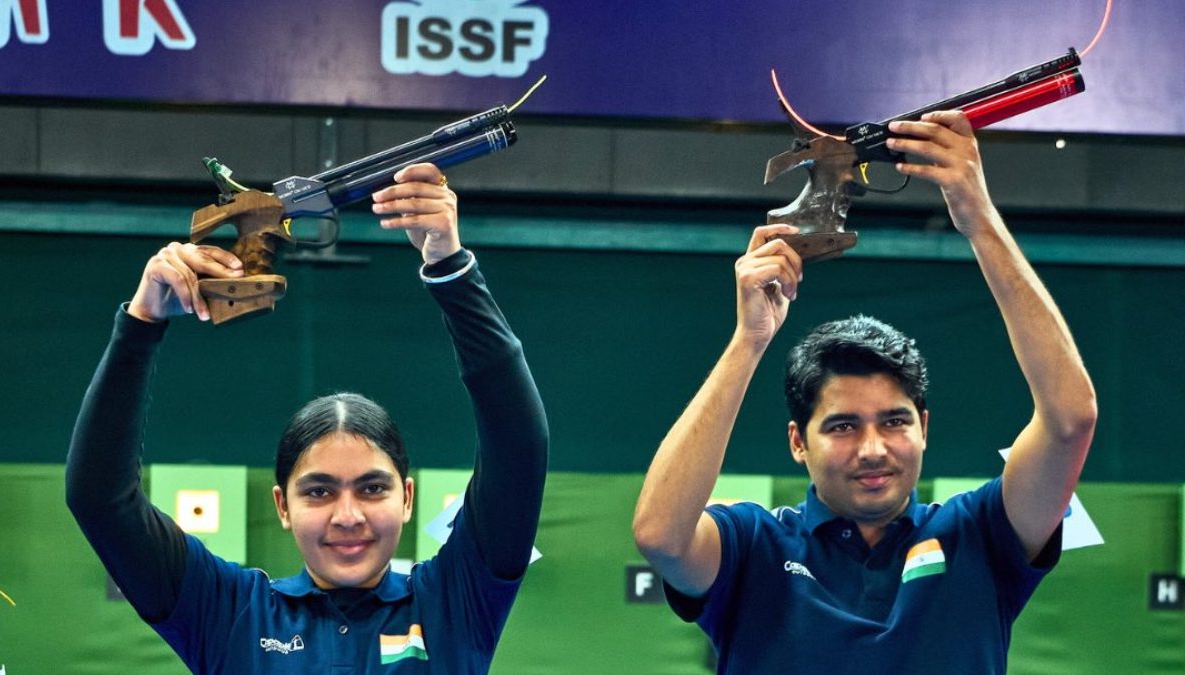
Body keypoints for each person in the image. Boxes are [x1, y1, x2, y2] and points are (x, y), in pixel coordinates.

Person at [632, 111, 1097, 674]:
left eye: (895, 421)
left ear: (924, 426)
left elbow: (1070, 419)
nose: (873, 448)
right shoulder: (754, 546)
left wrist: (979, 218)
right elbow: (660, 535)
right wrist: (748, 341)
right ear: (797, 442)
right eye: (843, 425)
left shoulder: (980, 537)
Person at [66, 163, 548, 674]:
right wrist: (141, 324)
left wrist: (450, 268)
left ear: (406, 498)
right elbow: (99, 498)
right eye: (318, 491)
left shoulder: (455, 601)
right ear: (282, 505)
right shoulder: (228, 612)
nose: (347, 516)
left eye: (372, 488)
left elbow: (519, 446)